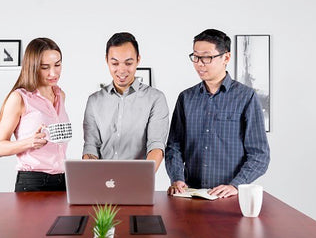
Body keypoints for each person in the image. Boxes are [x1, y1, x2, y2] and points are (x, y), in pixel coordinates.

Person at [165, 29, 270, 198]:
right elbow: (174, 146)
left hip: (229, 197)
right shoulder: (186, 98)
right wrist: (177, 178)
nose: (199, 63)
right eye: (196, 57)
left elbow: (259, 155)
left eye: (207, 57)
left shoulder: (246, 97)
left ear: (226, 58)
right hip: (191, 195)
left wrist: (235, 185)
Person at [82, 32, 169, 171]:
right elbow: (91, 146)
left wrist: (141, 179)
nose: (122, 70)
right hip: (102, 182)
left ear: (138, 60)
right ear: (106, 60)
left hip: (138, 182)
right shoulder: (94, 101)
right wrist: (92, 175)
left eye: (128, 63)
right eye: (115, 63)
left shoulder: (155, 98)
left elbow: (156, 146)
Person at [0, 37, 69, 191]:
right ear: (33, 67)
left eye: (57, 65)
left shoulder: (60, 95)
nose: (53, 72)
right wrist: (30, 142)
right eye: (45, 67)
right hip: (34, 182)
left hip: (63, 180)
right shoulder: (20, 98)